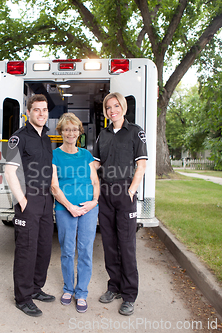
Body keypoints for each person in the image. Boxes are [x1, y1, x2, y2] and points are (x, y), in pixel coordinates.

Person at [92, 92, 147, 316]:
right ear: (105, 111)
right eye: (108, 107)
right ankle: (114, 286)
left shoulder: (135, 132)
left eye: (115, 106)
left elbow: (141, 165)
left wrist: (131, 190)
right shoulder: (102, 135)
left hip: (124, 193)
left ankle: (129, 294)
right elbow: (95, 163)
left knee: (126, 245)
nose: (112, 110)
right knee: (109, 243)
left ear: (123, 107)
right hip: (105, 193)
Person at [4, 94, 55, 317]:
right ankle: (23, 298)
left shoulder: (46, 138)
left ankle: (35, 288)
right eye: (37, 110)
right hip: (28, 200)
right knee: (26, 249)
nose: (41, 114)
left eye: (44, 110)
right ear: (28, 112)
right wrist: (22, 200)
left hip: (46, 200)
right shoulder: (18, 137)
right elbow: (9, 171)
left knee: (43, 247)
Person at [50, 113, 100, 313]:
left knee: (86, 251)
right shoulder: (54, 155)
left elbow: (95, 182)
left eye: (74, 129)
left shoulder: (86, 155)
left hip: (88, 208)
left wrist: (93, 202)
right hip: (65, 208)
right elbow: (54, 186)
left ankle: (82, 292)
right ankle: (68, 289)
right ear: (61, 132)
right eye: (66, 129)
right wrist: (70, 207)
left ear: (79, 132)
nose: (71, 133)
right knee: (68, 251)